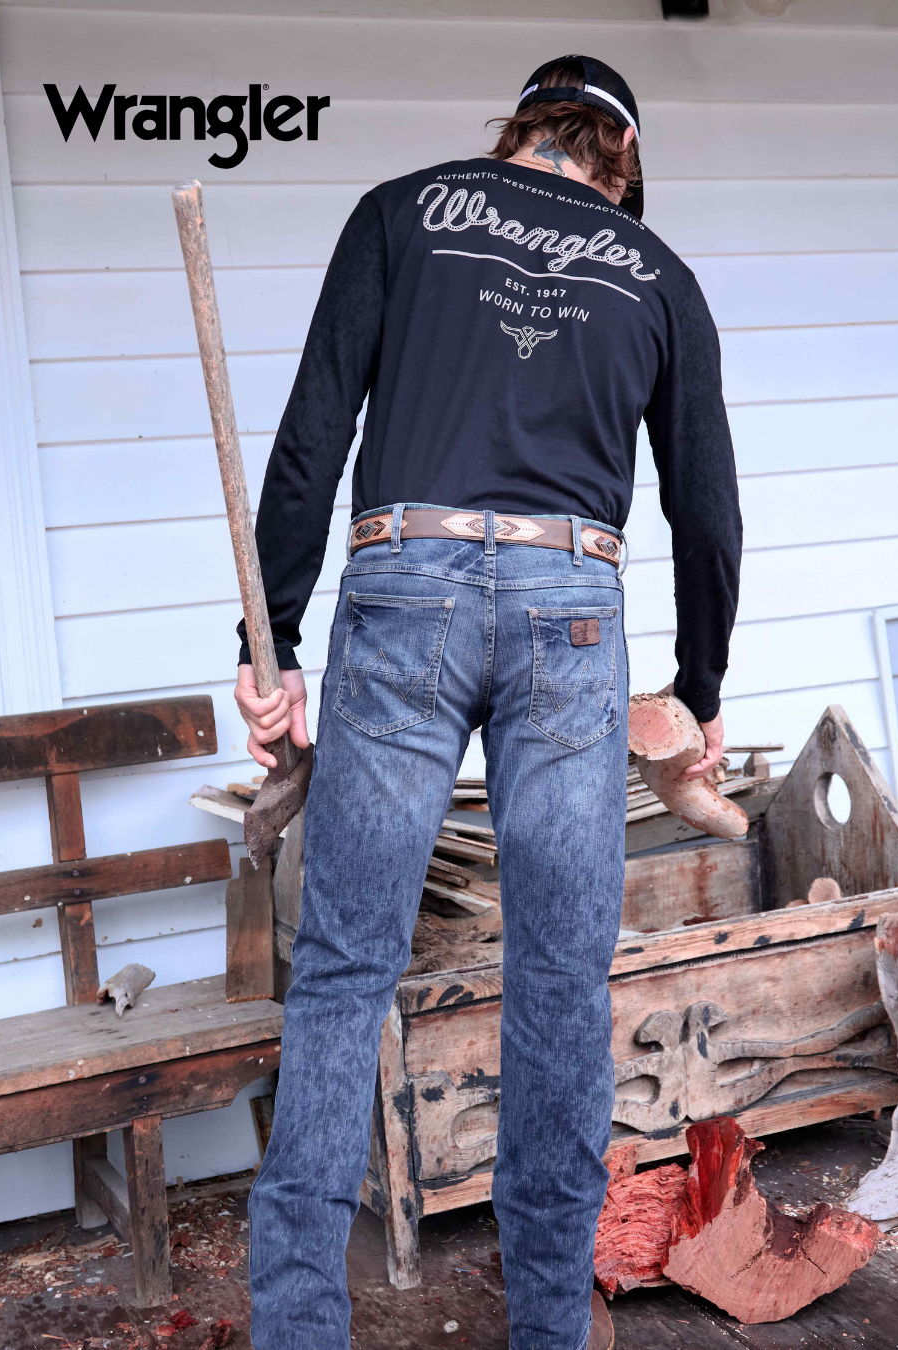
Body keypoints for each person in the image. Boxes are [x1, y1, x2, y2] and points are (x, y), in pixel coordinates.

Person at [236, 55, 741, 1350]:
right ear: (619, 164)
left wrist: (270, 638)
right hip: (572, 605)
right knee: (563, 978)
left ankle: (298, 1329)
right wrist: (698, 690)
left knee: (347, 967)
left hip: (406, 578)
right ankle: (547, 1336)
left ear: (516, 133)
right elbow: (707, 508)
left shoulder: (402, 210)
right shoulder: (659, 276)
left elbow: (310, 442)